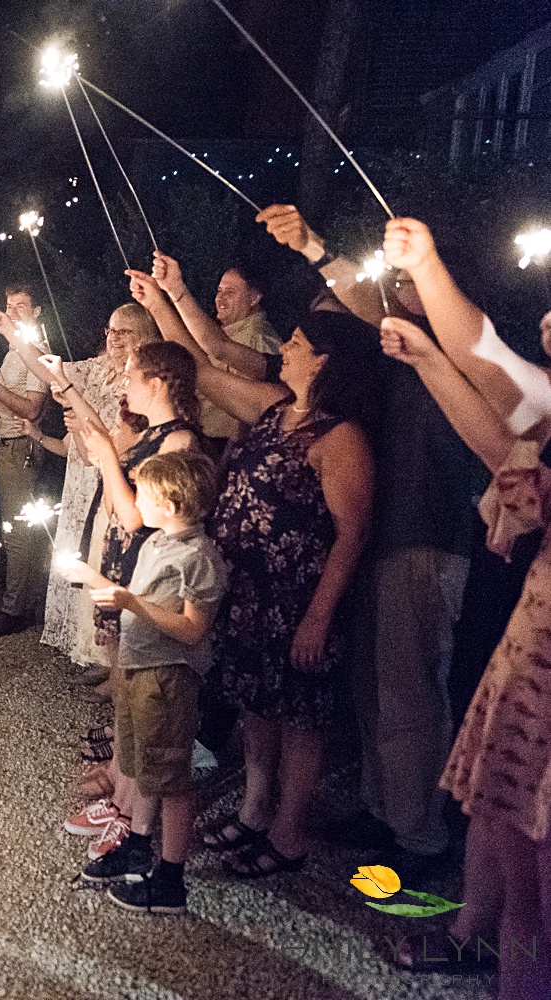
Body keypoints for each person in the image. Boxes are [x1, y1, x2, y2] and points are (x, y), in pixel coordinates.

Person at [256, 204, 480, 878]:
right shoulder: (401, 358)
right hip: (387, 540)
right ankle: (383, 810)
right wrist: (314, 249)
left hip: (429, 541)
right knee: (375, 685)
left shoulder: (462, 356)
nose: (394, 294)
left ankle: (419, 837)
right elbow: (363, 299)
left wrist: (319, 249)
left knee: (411, 690)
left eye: (409, 284)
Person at [133, 267, 378, 876]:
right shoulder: (274, 410)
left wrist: (319, 617)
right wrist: (163, 300)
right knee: (257, 706)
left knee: (298, 715)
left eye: (296, 344)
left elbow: (353, 533)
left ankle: (289, 833)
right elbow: (201, 369)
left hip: (296, 597)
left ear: (324, 362)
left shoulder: (341, 438)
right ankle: (253, 810)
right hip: (248, 590)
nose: (285, 349)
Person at [374, 217, 551, 990]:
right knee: (506, 832)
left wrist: (432, 274)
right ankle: (490, 951)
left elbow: (500, 372)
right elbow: (499, 437)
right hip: (533, 654)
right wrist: (429, 358)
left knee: (537, 896)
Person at [59, 450, 226, 914]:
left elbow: (193, 629)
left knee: (169, 777)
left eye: (145, 494)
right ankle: (136, 846)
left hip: (167, 678)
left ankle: (170, 880)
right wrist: (91, 579)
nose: (137, 501)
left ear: (169, 505)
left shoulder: (199, 559)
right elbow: (138, 599)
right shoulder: (156, 544)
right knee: (140, 766)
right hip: (138, 670)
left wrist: (129, 604)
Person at [14, 306, 157, 675]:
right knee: (84, 555)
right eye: (110, 330)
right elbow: (49, 371)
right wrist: (12, 334)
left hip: (114, 474)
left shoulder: (143, 378)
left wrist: (81, 426)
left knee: (108, 562)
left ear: (142, 333)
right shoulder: (94, 367)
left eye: (124, 331)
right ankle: (88, 646)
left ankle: (113, 665)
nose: (114, 337)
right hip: (80, 474)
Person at [0, 284, 50, 637]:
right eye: (9, 305)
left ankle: (14, 611)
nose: (14, 311)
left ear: (36, 313)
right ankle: (20, 603)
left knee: (19, 532)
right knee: (13, 529)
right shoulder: (11, 353)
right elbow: (3, 397)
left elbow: (33, 408)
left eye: (22, 306)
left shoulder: (38, 351)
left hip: (21, 449)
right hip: (2, 446)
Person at [150, 260, 281, 450]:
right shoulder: (227, 331)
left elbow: (252, 410)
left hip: (224, 446)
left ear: (254, 297)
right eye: (219, 291)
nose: (220, 298)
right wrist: (157, 301)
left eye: (230, 292)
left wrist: (228, 457)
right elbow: (193, 354)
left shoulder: (259, 340)